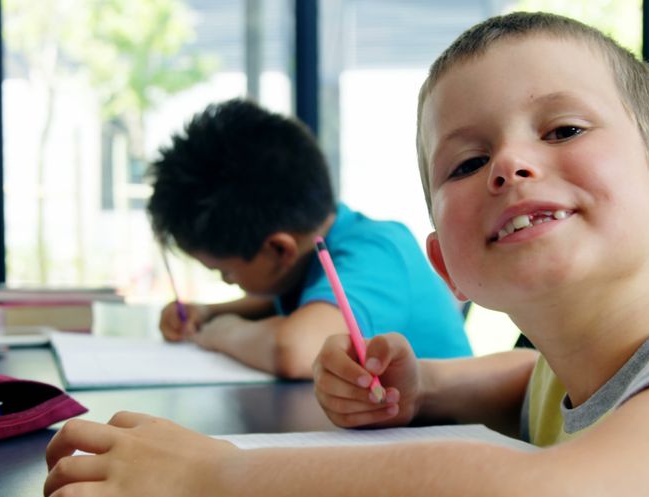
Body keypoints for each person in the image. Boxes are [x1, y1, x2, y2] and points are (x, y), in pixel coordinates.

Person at [42, 12, 649, 497]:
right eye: (466, 163)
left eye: (563, 129)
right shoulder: (575, 370)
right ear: (447, 263)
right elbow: (535, 384)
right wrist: (423, 388)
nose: (509, 164)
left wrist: (203, 484)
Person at [145, 98, 472, 378]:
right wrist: (209, 312)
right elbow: (284, 300)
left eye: (225, 272)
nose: (229, 282)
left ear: (278, 248)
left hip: (453, 435)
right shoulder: (322, 243)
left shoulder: (377, 251)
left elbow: (294, 350)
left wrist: (220, 331)